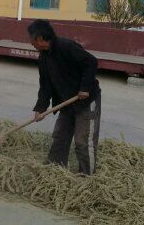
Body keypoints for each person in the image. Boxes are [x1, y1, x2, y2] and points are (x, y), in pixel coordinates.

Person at [29, 19, 101, 175]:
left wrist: (84, 88)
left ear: (39, 38)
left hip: (86, 101)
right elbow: (45, 85)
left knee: (83, 142)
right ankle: (54, 171)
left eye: (31, 39)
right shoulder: (43, 58)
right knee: (60, 136)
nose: (31, 43)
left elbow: (91, 62)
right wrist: (40, 108)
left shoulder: (66, 46)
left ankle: (87, 178)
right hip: (66, 102)